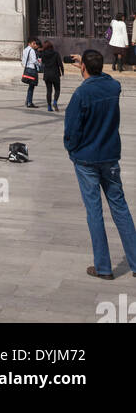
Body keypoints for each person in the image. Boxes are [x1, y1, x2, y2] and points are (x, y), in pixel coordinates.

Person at [63, 47, 136, 279]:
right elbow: (107, 79)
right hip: (110, 156)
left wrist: (72, 150)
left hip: (86, 158)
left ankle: (103, 267)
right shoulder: (113, 87)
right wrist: (88, 66)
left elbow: (72, 131)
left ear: (83, 66)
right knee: (120, 208)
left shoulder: (81, 95)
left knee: (94, 211)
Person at [41, 39, 65, 112]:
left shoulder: (43, 54)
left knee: (49, 91)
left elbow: (43, 62)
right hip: (55, 74)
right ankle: (55, 102)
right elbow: (60, 64)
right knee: (57, 89)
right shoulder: (56, 53)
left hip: (47, 74)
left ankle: (49, 106)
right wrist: (62, 72)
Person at [22, 37, 41, 108]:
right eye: (34, 43)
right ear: (32, 43)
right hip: (32, 70)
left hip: (27, 68)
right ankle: (29, 102)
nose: (35, 45)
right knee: (31, 86)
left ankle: (28, 101)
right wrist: (39, 63)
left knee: (30, 86)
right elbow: (34, 60)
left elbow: (24, 60)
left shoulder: (25, 50)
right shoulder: (32, 50)